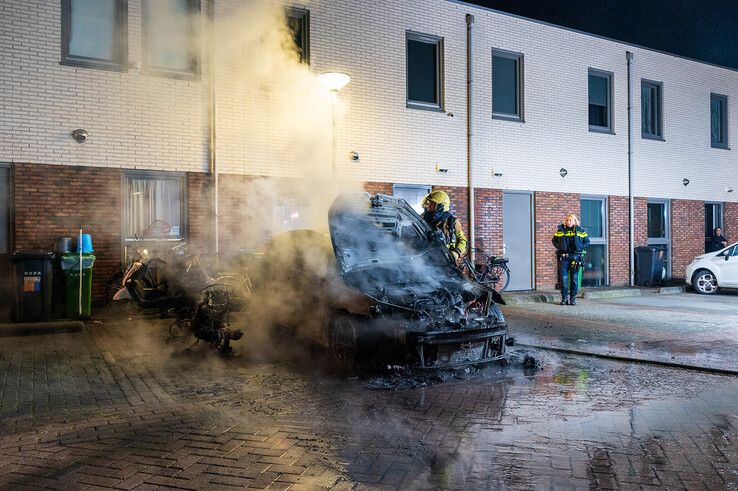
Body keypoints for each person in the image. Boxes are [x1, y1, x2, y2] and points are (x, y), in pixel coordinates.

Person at [420, 190, 468, 264]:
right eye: (429, 203)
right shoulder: (422, 219)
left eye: (432, 204)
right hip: (424, 260)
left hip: (445, 262)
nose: (428, 205)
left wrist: (456, 252)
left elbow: (462, 240)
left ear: (440, 206)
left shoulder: (452, 221)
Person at [552, 213, 590, 305]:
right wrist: (560, 247)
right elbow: (554, 240)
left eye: (570, 220)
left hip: (575, 258)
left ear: (574, 221)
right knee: (564, 279)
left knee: (574, 279)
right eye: (567, 220)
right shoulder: (560, 230)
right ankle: (564, 298)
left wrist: (580, 247)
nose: (568, 222)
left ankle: (572, 298)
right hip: (564, 258)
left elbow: (587, 242)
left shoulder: (580, 230)